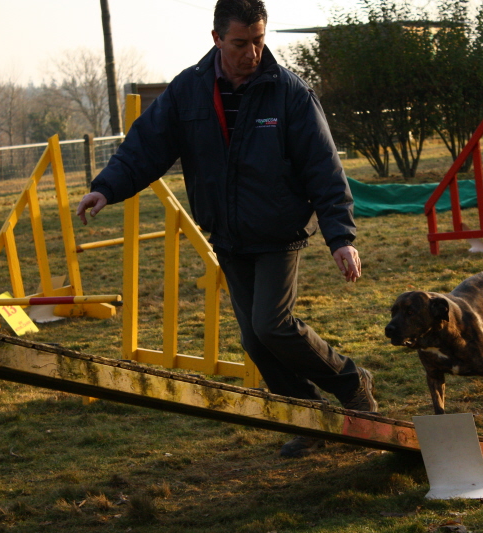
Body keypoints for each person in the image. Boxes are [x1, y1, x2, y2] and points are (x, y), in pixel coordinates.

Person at [76, 0, 377, 458]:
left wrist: (341, 238)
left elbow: (323, 168)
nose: (252, 53)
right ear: (217, 39)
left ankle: (353, 383)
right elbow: (146, 147)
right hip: (229, 234)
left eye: (258, 41)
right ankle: (309, 418)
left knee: (272, 325)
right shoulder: (188, 91)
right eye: (240, 43)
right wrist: (107, 188)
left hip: (280, 230)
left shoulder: (290, 94)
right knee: (255, 340)